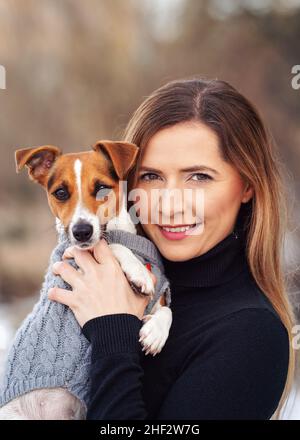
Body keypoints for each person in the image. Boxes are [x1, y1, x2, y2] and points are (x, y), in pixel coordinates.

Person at [48, 77, 295, 420]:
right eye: (150, 176)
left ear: (248, 185)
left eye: (199, 177)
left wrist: (111, 331)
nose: (169, 205)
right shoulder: (101, 277)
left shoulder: (251, 335)